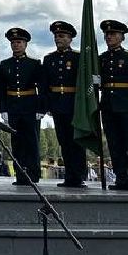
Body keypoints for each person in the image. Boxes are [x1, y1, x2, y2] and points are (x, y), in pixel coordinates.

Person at [98, 20, 128, 191]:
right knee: (114, 143)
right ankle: (121, 176)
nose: (109, 36)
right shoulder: (101, 58)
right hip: (108, 106)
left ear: (122, 37)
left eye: (113, 34)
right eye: (107, 34)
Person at [44, 21, 87, 187]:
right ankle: (70, 175)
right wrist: (47, 105)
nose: (57, 39)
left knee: (76, 141)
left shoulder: (78, 58)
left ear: (70, 38)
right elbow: (45, 84)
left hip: (74, 104)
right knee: (64, 141)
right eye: (56, 36)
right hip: (57, 104)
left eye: (61, 36)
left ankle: (79, 175)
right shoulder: (49, 59)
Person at [0, 28, 44, 183]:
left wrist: (40, 108)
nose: (16, 45)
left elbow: (41, 87)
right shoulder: (5, 64)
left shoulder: (34, 64)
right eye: (13, 42)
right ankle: (20, 173)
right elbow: (2, 88)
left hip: (30, 105)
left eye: (19, 42)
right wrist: (3, 109)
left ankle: (33, 173)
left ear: (25, 44)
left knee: (32, 141)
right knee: (16, 142)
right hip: (13, 106)